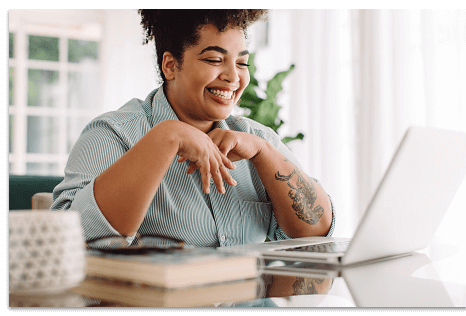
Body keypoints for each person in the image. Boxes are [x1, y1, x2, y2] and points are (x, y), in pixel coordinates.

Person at [51, 9, 335, 247]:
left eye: (242, 62)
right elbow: (70, 244)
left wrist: (264, 153)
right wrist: (166, 137)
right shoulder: (111, 134)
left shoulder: (256, 139)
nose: (233, 77)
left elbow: (317, 234)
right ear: (171, 65)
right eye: (214, 60)